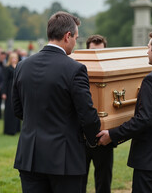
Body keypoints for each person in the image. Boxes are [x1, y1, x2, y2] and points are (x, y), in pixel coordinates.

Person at [12, 11, 101, 193]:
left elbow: (18, 109)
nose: (76, 43)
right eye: (76, 38)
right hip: (64, 158)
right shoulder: (75, 69)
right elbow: (87, 114)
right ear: (67, 36)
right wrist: (94, 139)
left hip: (30, 155)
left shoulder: (22, 66)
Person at [97, 31, 152, 193]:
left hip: (151, 159)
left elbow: (143, 120)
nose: (147, 52)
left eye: (148, 48)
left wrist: (112, 134)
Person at [82, 34, 113, 193]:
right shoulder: (76, 70)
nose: (96, 56)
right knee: (79, 180)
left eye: (100, 52)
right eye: (93, 51)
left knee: (104, 181)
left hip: (103, 136)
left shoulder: (111, 72)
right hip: (81, 136)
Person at [2, 52, 20, 135]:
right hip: (9, 90)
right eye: (12, 58)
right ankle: (9, 129)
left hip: (17, 89)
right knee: (10, 109)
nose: (14, 59)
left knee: (17, 107)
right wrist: (4, 92)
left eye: (15, 58)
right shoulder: (7, 68)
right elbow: (4, 81)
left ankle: (16, 128)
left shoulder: (19, 67)